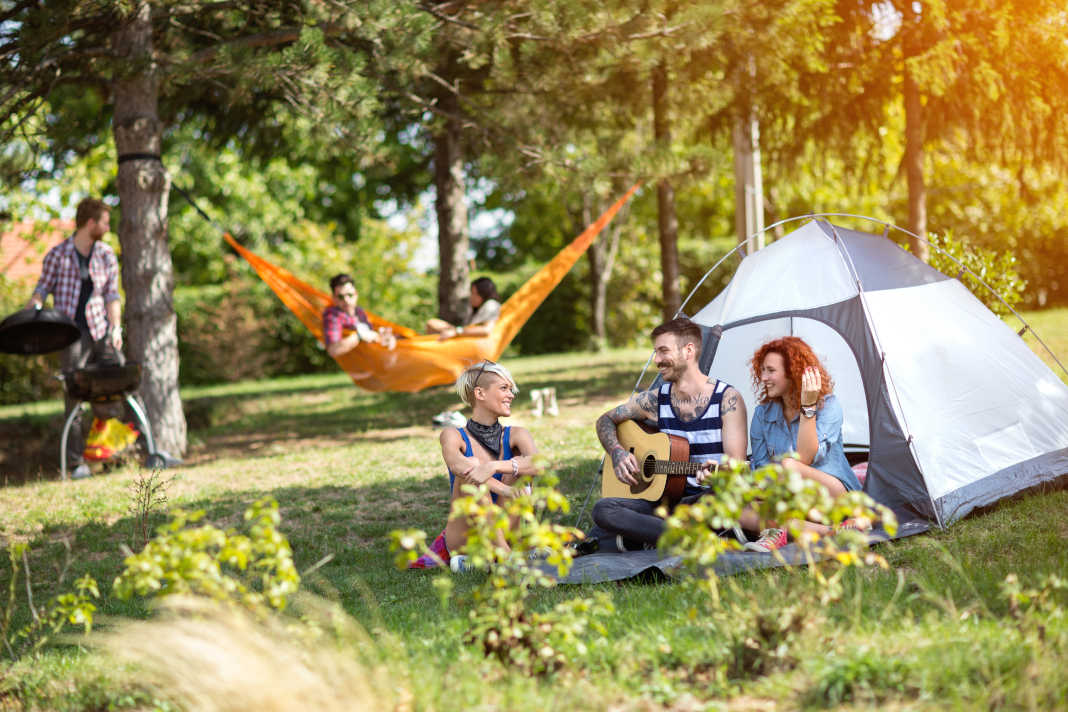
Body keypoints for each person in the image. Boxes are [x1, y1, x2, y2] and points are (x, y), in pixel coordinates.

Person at [591, 317, 748, 551]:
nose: (657, 360)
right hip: (664, 502)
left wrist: (718, 476)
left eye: (663, 351)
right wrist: (617, 453)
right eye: (655, 352)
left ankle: (659, 535)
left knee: (717, 501)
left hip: (706, 501)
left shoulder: (727, 399)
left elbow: (736, 467)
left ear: (688, 350)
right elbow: (605, 419)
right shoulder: (657, 399)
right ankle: (687, 539)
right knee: (603, 509)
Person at [409, 360, 540, 569]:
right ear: (480, 394)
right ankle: (504, 556)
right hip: (466, 539)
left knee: (521, 468)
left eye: (511, 389)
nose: (511, 395)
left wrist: (496, 467)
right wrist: (503, 489)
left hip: (508, 529)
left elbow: (538, 464)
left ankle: (501, 553)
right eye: (504, 388)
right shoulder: (453, 434)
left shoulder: (517, 434)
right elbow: (457, 465)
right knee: (470, 470)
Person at [27, 197, 123, 479]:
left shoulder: (105, 254)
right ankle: (75, 464)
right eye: (104, 222)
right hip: (70, 334)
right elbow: (42, 288)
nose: (107, 227)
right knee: (74, 397)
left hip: (101, 331)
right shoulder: (58, 255)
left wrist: (115, 329)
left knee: (111, 390)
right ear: (90, 223)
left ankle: (111, 456)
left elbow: (112, 296)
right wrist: (33, 310)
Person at [742, 336, 864, 552]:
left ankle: (779, 528)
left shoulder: (829, 407)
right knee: (738, 510)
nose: (763, 378)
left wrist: (808, 406)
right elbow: (760, 471)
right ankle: (830, 532)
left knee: (789, 466)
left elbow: (805, 459)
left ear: (793, 372)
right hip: (789, 500)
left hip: (833, 496)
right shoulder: (762, 415)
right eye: (761, 371)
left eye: (771, 371)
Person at [321, 273, 396, 357]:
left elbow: (373, 334)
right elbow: (333, 350)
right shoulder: (332, 316)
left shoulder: (360, 312)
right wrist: (359, 336)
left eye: (349, 295)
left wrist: (387, 338)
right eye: (341, 297)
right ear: (334, 298)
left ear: (356, 294)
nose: (346, 300)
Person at [426, 276, 501, 341]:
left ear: (483, 294)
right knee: (432, 323)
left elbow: (486, 330)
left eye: (474, 293)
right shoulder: (481, 308)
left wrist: (456, 331)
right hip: (465, 337)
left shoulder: (491, 304)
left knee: (432, 324)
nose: (471, 297)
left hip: (470, 342)